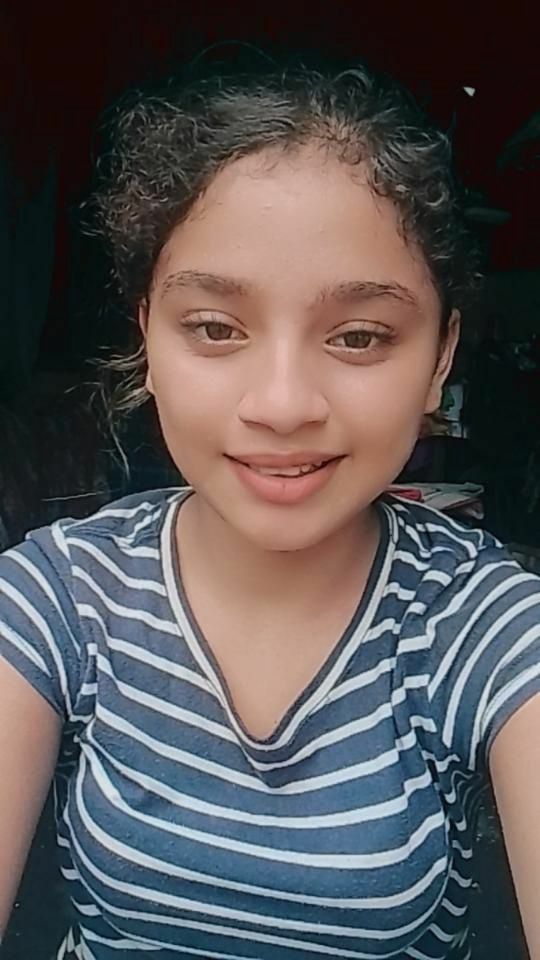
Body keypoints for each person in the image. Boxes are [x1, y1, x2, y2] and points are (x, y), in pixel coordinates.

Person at [0, 56, 539, 960]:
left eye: (359, 336)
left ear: (441, 357)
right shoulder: (62, 593)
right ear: (146, 332)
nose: (283, 404)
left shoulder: (479, 622)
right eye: (215, 328)